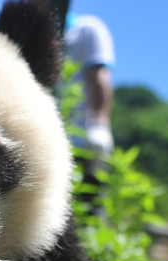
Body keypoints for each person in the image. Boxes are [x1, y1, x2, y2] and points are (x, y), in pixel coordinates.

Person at [63, 13, 114, 160]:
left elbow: (100, 78)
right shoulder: (29, 35)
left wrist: (99, 125)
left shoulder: (87, 29)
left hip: (82, 140)